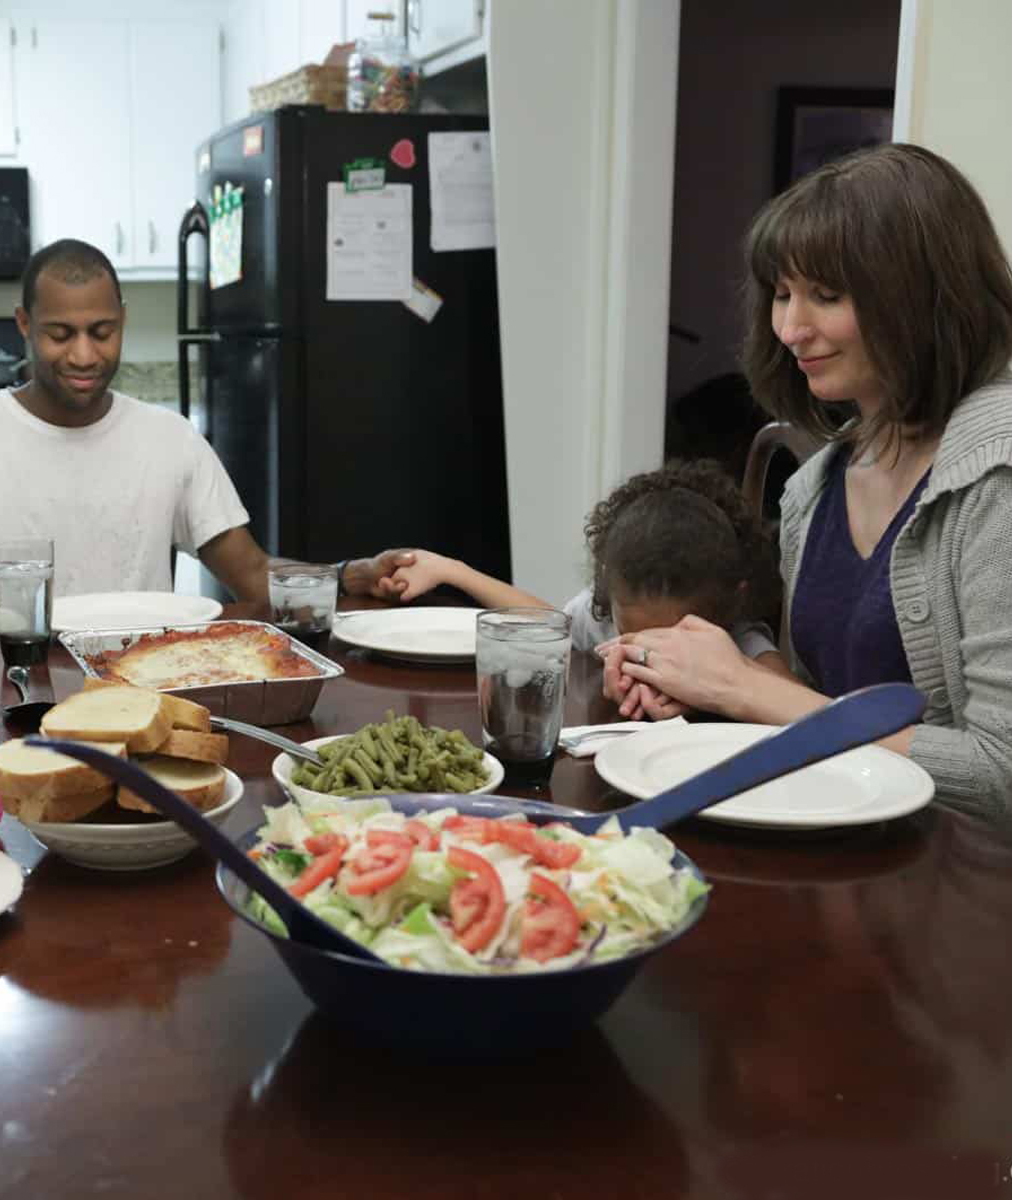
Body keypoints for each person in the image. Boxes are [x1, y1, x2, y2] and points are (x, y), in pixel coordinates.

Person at [604, 144, 1012, 816]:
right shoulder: (815, 487)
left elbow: (999, 774)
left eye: (827, 295)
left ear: (923, 296)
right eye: (783, 294)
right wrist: (708, 684)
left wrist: (749, 692)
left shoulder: (995, 476)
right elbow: (821, 703)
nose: (792, 328)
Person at [0, 239, 411, 656]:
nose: (83, 356)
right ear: (24, 324)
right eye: (59, 334)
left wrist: (347, 575)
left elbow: (253, 578)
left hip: (147, 688)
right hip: (10, 694)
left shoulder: (168, 438)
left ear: (121, 320)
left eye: (101, 332)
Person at [384, 460, 790, 719]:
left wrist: (713, 692)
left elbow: (801, 703)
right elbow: (545, 622)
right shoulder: (599, 615)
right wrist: (453, 571)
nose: (645, 649)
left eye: (668, 639)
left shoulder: (742, 645)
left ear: (728, 604)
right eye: (629, 634)